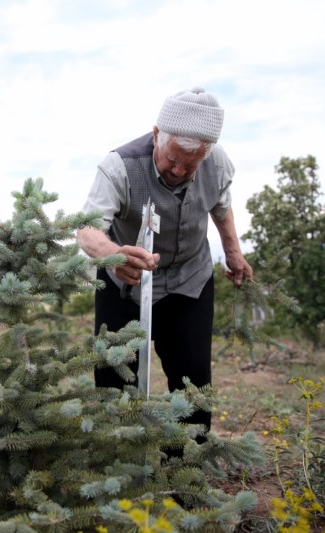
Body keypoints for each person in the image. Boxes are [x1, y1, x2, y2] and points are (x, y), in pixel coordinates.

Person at [76, 87, 253, 434]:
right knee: (115, 378)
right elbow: (85, 229)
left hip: (190, 279)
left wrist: (233, 251)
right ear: (157, 134)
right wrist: (113, 255)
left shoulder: (216, 163)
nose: (179, 170)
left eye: (191, 164)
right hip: (125, 278)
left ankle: (183, 475)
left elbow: (221, 204)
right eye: (172, 159)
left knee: (193, 383)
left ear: (207, 152)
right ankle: (119, 470)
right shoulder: (120, 165)